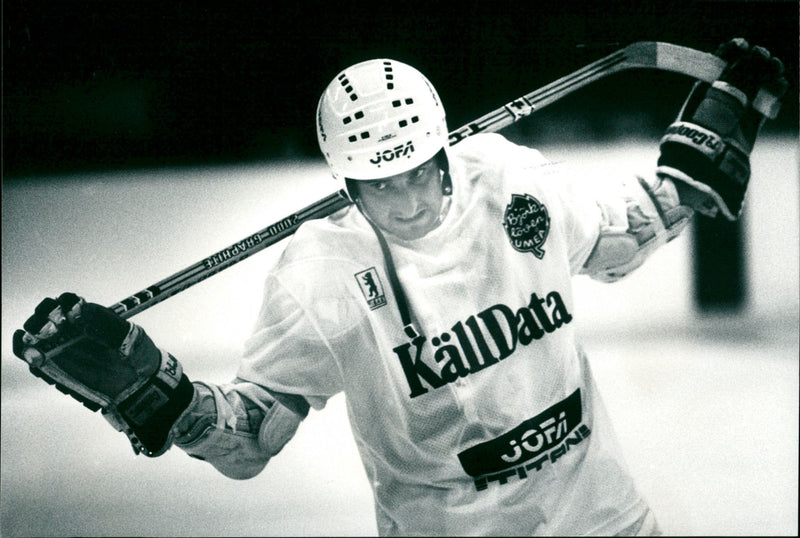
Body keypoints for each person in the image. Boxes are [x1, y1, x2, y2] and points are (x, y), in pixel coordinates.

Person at [13, 38, 786, 536]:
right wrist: (166, 402)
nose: (410, 200)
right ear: (346, 177)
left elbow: (609, 246)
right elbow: (249, 442)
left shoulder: (507, 178)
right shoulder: (321, 276)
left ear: (444, 145)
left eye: (421, 171)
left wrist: (689, 179)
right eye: (382, 185)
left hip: (606, 521)